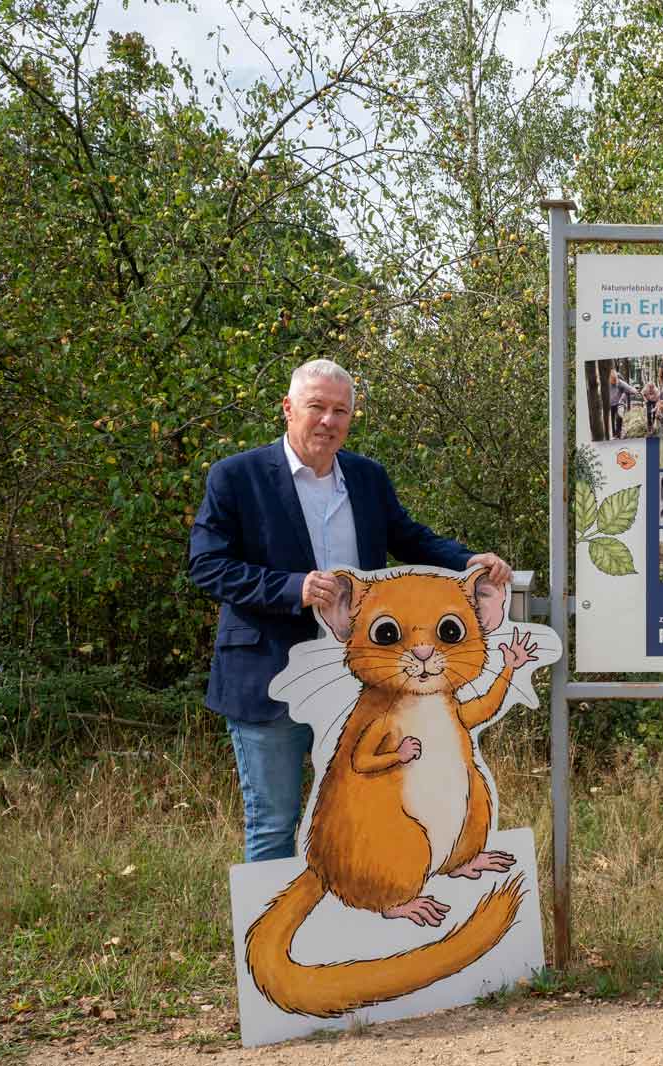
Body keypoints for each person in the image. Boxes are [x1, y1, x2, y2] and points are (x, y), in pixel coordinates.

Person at [188, 358, 513, 864]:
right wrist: (294, 588)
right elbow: (208, 567)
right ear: (288, 409)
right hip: (266, 675)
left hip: (362, 680)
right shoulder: (236, 477)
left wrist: (466, 561)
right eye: (316, 407)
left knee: (371, 803)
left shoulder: (365, 477)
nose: (328, 420)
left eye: (340, 410)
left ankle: (354, 937)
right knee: (274, 822)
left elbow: (408, 538)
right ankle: (264, 937)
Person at [606, 367, 641, 439]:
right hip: (611, 404)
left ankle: (618, 434)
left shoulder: (620, 382)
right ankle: (614, 434)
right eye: (613, 380)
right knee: (612, 420)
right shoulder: (607, 384)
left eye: (615, 379)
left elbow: (629, 388)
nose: (614, 381)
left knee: (619, 417)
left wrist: (636, 391)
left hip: (619, 403)